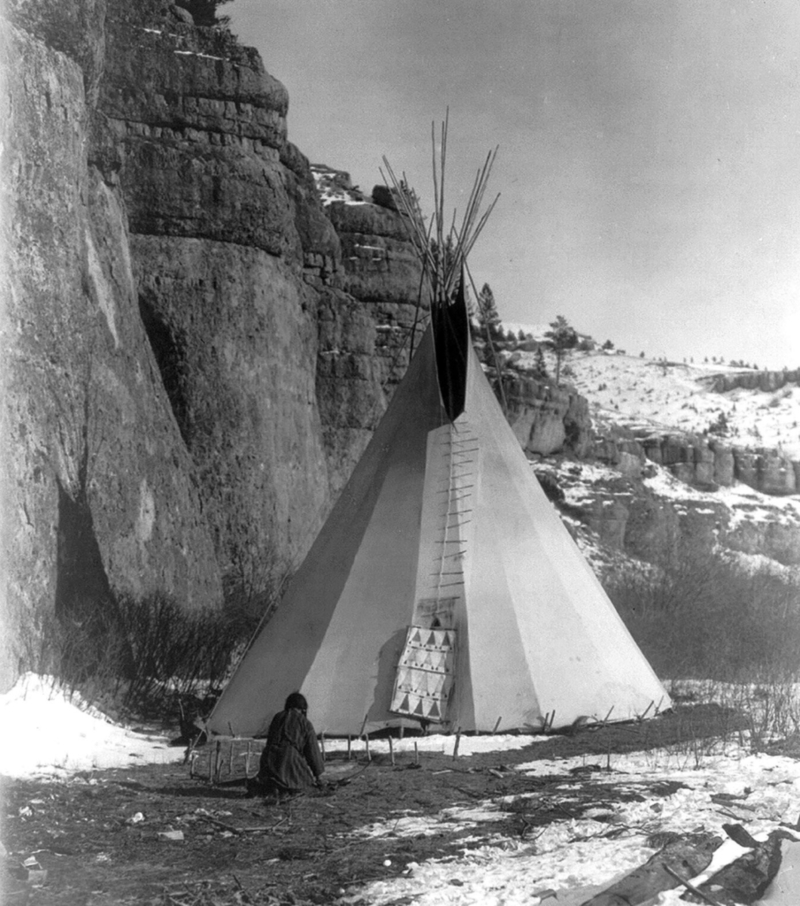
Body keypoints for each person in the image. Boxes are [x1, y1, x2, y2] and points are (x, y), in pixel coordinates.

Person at [254, 692, 325, 796]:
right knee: (305, 783)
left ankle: (273, 785)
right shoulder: (304, 722)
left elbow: (269, 742)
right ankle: (286, 787)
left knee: (269, 781)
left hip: (269, 761)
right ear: (303, 708)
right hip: (289, 759)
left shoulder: (277, 717)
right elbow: (312, 751)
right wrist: (319, 777)